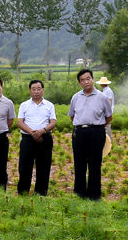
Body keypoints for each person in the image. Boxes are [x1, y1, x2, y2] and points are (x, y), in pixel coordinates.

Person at [68, 68, 114, 200]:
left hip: (96, 132)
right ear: (79, 83)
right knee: (79, 163)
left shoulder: (102, 97)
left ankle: (94, 195)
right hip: (79, 132)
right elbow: (72, 116)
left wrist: (96, 126)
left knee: (95, 164)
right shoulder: (75, 97)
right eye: (82, 80)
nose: (86, 82)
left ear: (93, 80)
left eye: (88, 78)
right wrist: (83, 124)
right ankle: (80, 193)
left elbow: (109, 117)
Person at [16, 79, 57, 196]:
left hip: (45, 138)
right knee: (24, 167)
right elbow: (20, 122)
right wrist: (33, 133)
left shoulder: (49, 105)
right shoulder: (24, 105)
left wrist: (42, 131)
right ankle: (23, 193)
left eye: (39, 89)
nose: (36, 91)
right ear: (30, 91)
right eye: (33, 89)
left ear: (42, 90)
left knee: (43, 167)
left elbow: (53, 122)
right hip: (27, 139)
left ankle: (41, 194)